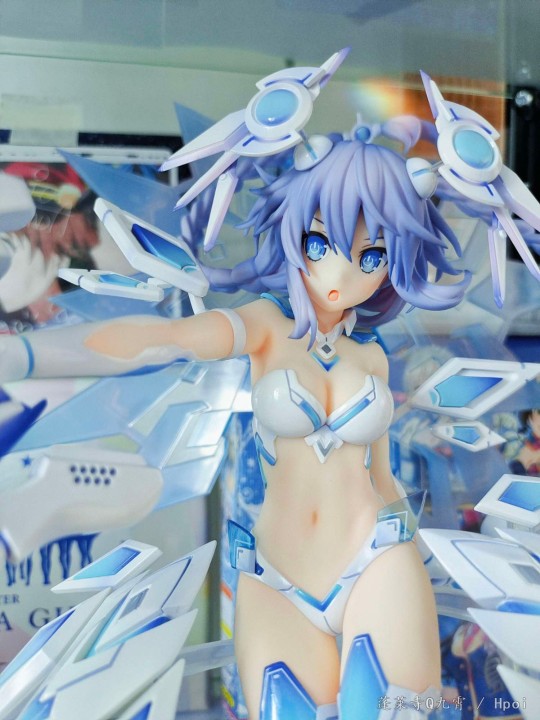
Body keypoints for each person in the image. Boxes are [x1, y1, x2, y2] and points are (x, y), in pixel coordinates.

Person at [0, 136, 471, 719]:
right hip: (277, 575)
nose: (341, 273)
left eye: (372, 256)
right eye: (319, 243)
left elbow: (381, 474)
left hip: (377, 556)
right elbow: (162, 341)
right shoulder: (265, 325)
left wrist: (431, 557)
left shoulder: (372, 355)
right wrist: (24, 355)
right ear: (293, 234)